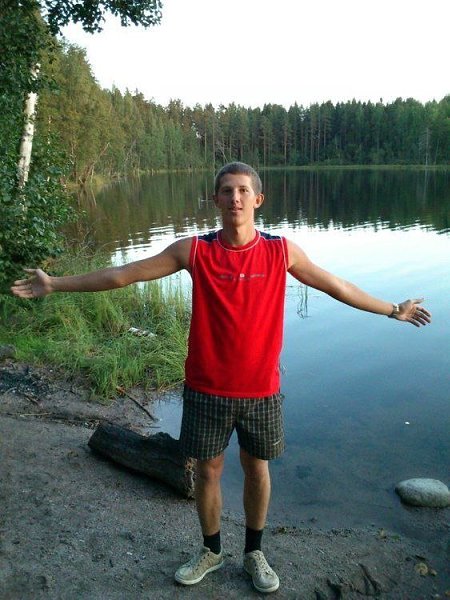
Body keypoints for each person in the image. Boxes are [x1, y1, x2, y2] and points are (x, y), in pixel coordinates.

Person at [11, 162, 431, 594]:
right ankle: (211, 550)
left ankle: (254, 553)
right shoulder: (194, 251)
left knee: (257, 469)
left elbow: (336, 286)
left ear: (258, 199)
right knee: (208, 471)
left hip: (261, 391)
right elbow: (124, 274)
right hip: (206, 388)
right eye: (227, 191)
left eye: (243, 190)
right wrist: (55, 284)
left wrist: (391, 309)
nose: (235, 198)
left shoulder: (281, 252)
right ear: (215, 200)